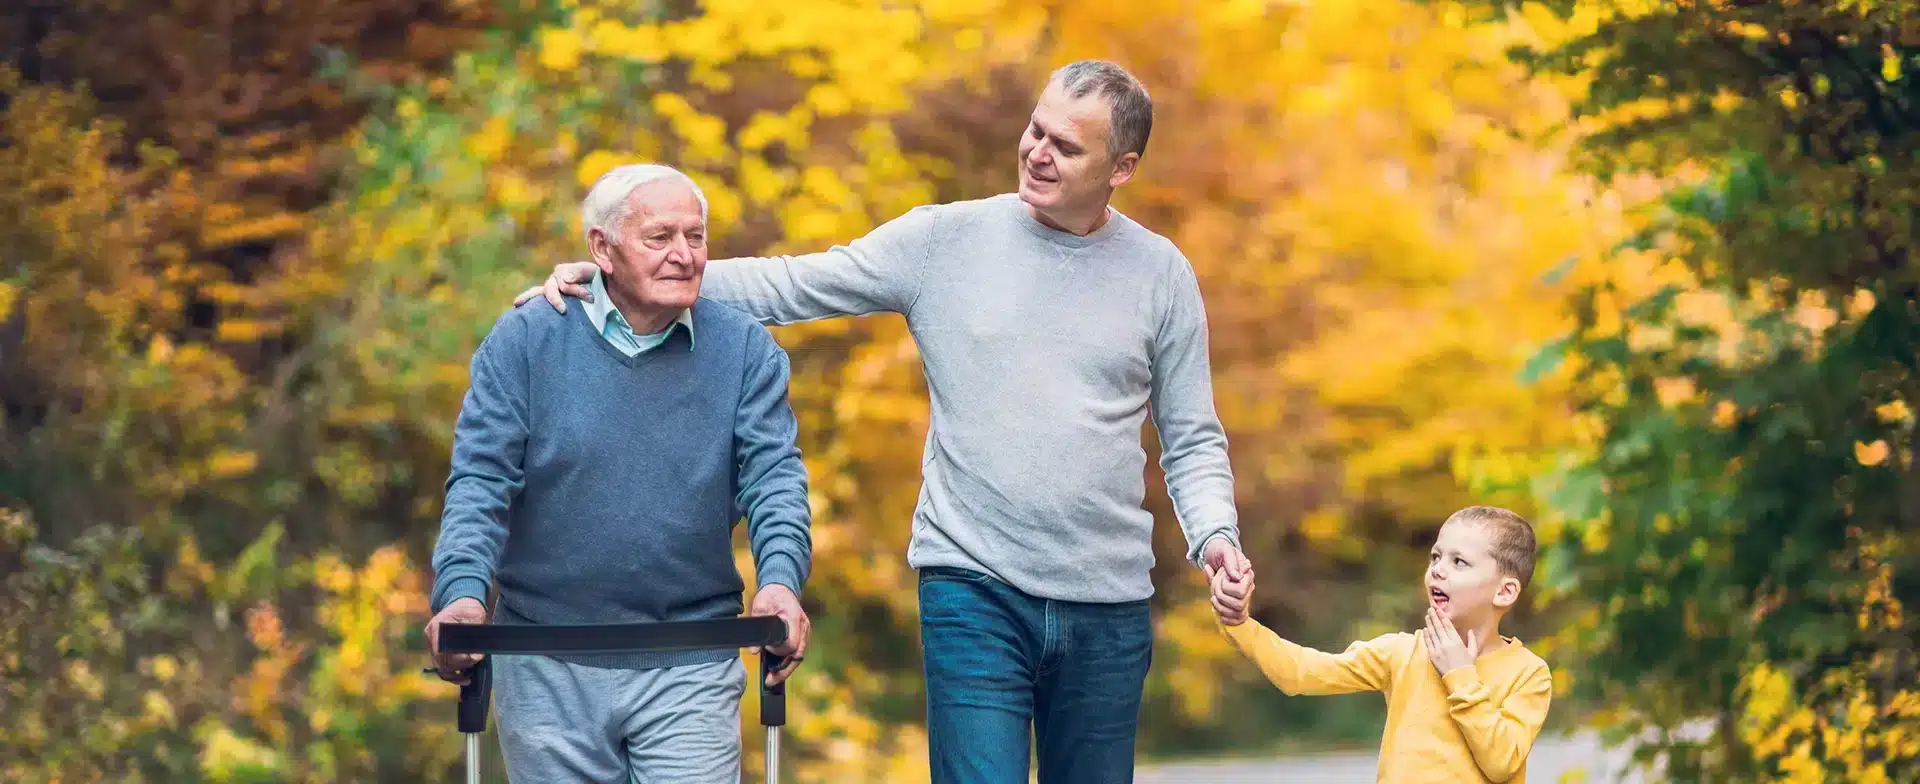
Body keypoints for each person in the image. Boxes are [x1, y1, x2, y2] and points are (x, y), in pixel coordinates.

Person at [511, 59, 1252, 782]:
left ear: (1121, 168)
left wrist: (1215, 535)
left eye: (1066, 145)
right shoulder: (943, 242)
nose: (1037, 152)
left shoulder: (1161, 274)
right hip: (974, 582)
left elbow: (1190, 435)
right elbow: (794, 283)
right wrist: (620, 277)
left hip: (1109, 600)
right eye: (1036, 130)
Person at [424, 163, 814, 783]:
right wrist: (463, 595)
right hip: (546, 661)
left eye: (696, 236)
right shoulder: (526, 341)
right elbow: (481, 482)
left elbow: (774, 481)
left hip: (691, 656)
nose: (683, 255)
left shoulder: (745, 350)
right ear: (602, 249)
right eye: (660, 237)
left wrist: (781, 582)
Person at [1208, 505, 1553, 783]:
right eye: (1436, 557)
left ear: (1504, 591)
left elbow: (1501, 764)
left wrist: (1460, 674)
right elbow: (1302, 673)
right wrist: (1240, 624)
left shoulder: (1529, 674)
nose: (1438, 570)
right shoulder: (1401, 653)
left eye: (1458, 561)